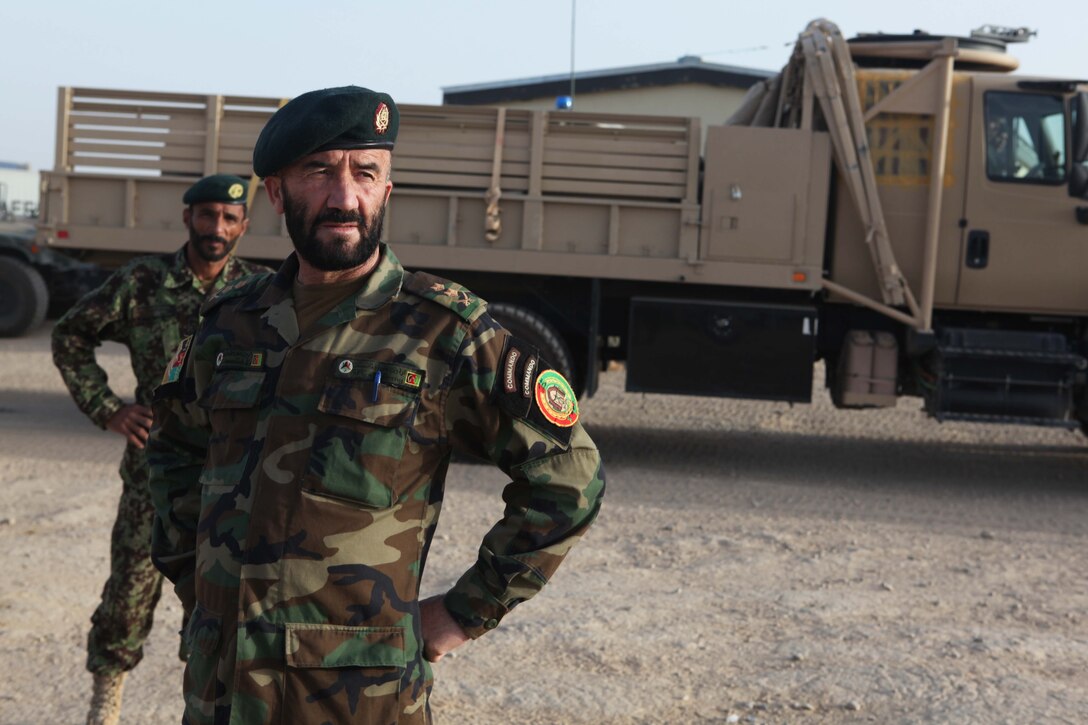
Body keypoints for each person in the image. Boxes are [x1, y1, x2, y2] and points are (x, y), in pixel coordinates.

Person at [148, 86, 605, 724]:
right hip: (222, 689)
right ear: (277, 193)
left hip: (355, 699)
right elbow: (172, 450)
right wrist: (194, 582)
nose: (344, 196)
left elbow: (568, 479)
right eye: (318, 171)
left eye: (366, 173)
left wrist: (461, 613)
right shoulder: (229, 326)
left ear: (387, 192)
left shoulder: (443, 333)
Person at [51, 174, 270, 725]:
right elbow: (71, 334)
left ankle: (202, 709)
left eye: (228, 218)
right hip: (154, 473)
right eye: (206, 215)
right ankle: (106, 704)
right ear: (186, 218)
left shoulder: (260, 292)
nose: (215, 228)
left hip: (232, 480)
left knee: (215, 602)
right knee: (129, 593)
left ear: (244, 226)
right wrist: (108, 408)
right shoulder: (142, 283)